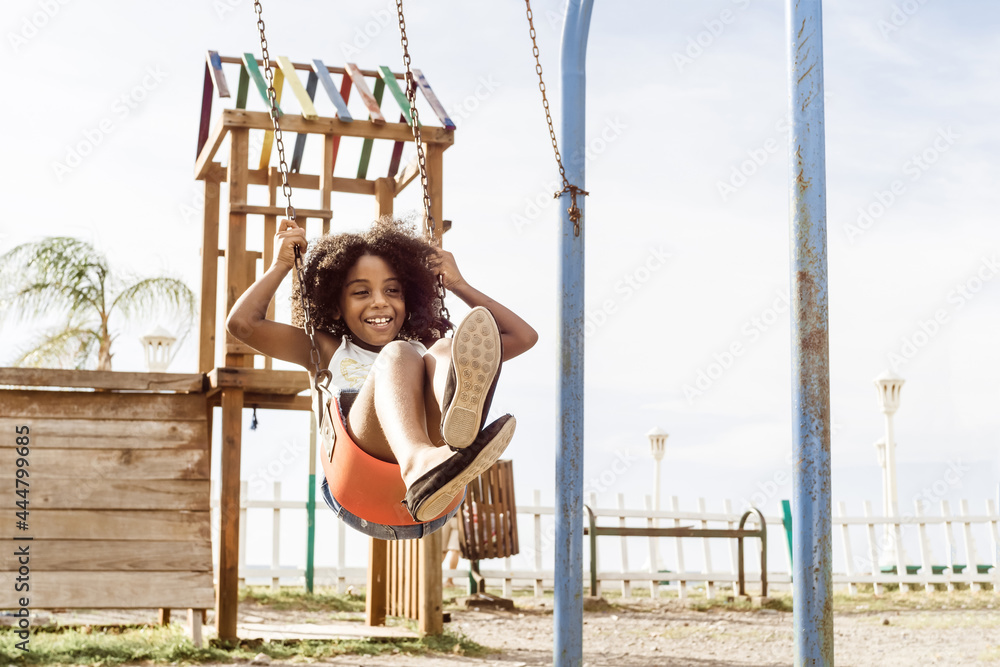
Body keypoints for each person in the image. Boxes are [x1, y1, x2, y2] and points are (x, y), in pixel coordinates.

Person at [226, 217, 537, 540]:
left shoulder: (425, 352)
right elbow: (242, 325)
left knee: (446, 349)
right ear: (335, 306)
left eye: (393, 290)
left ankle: (452, 435)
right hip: (358, 483)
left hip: (435, 498)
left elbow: (523, 336)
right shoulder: (325, 349)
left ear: (410, 299)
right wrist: (280, 265)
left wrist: (458, 284)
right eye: (361, 292)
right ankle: (419, 461)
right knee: (398, 354)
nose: (379, 301)